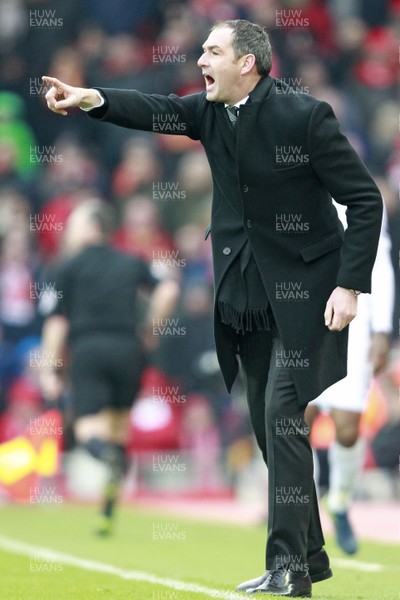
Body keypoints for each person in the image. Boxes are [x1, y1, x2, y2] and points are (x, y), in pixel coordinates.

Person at [42, 19, 383, 597]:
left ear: (247, 62)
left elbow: (364, 199)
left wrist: (350, 287)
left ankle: (287, 570)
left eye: (212, 50)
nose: (200, 58)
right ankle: (310, 558)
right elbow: (152, 110)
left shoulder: (305, 116)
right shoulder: (206, 111)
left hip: (309, 296)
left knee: (281, 417)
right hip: (244, 296)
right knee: (268, 429)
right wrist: (91, 99)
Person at [39, 199, 178, 535]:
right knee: (118, 430)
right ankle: (107, 512)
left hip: (89, 349)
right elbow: (169, 289)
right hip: (129, 350)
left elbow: (57, 323)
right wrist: (149, 331)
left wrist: (48, 369)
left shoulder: (68, 267)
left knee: (87, 431)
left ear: (91, 228)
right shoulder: (130, 261)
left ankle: (105, 459)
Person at [305, 204, 394, 555]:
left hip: (354, 318)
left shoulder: (364, 197)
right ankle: (300, 508)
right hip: (303, 312)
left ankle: (339, 501)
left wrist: (383, 330)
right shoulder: (299, 184)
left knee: (346, 427)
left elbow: (381, 263)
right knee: (295, 418)